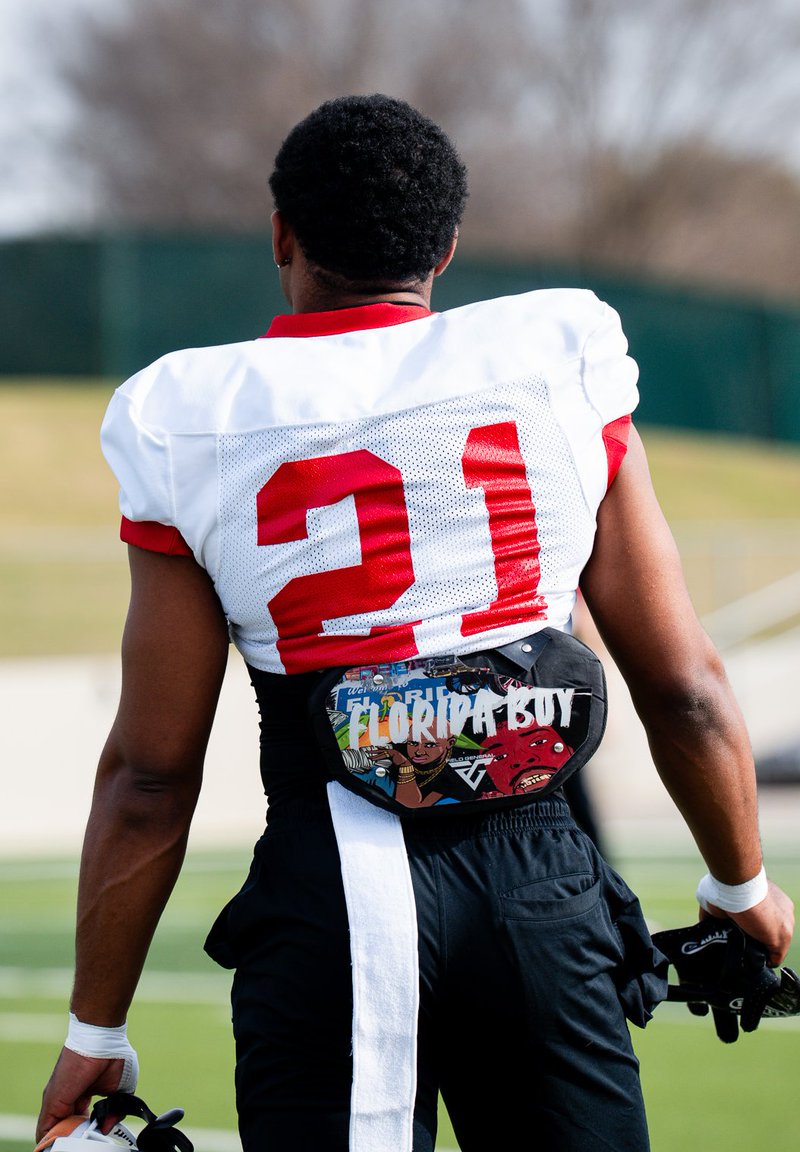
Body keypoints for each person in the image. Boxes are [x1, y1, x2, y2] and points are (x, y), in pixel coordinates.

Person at [37, 94, 794, 1152]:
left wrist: (95, 1025)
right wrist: (737, 884)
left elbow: (152, 775)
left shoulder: (186, 414)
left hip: (331, 897)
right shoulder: (552, 358)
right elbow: (682, 686)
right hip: (539, 880)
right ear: (444, 246)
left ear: (280, 237)